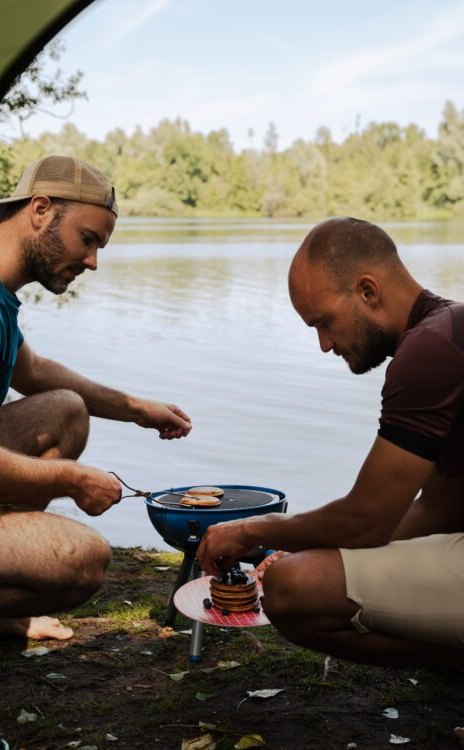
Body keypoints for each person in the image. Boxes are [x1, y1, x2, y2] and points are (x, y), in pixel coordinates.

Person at [197, 216, 464, 670]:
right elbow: (439, 510)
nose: (324, 344)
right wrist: (310, 543)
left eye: (323, 322)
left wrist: (252, 530)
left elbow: (367, 521)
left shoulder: (430, 354)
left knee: (294, 589)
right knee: (307, 564)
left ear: (367, 290)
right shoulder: (449, 330)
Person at [0, 155, 191, 644]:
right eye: (88, 240)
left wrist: (138, 410)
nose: (92, 261)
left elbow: (35, 371)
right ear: (41, 210)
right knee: (80, 561)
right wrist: (72, 479)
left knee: (66, 408)